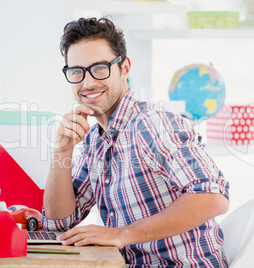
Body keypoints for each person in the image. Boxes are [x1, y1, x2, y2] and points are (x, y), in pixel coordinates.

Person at [43, 16, 230, 268]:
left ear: (125, 68)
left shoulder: (152, 124)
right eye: (77, 72)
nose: (87, 83)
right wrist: (62, 150)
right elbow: (59, 221)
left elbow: (213, 196)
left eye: (100, 68)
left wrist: (121, 235)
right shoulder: (96, 139)